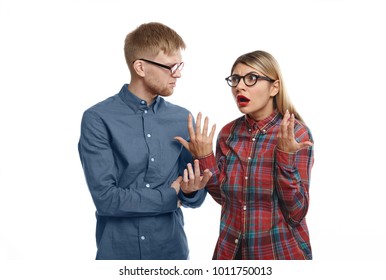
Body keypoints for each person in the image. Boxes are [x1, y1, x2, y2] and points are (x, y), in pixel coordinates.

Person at [78, 22, 211, 260]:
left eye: (179, 65)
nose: (178, 73)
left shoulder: (182, 118)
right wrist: (170, 196)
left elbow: (194, 196)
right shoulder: (97, 118)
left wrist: (191, 192)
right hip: (118, 256)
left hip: (172, 255)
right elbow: (106, 200)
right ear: (140, 67)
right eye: (171, 66)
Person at [175, 50, 314, 260]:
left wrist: (285, 157)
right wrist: (205, 157)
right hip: (231, 254)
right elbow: (227, 199)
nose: (240, 86)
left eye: (251, 78)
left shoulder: (295, 133)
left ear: (274, 87)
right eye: (235, 79)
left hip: (278, 254)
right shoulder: (227, 134)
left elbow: (296, 212)